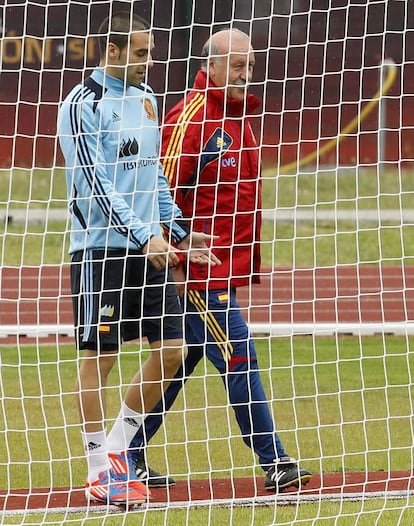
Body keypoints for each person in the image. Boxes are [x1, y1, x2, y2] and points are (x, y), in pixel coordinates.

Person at [126, 28, 313, 492]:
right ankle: (276, 461)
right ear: (208, 66)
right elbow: (156, 189)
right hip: (194, 272)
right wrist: (170, 254)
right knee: (239, 352)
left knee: (177, 364)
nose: (246, 75)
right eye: (237, 66)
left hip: (222, 267)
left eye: (250, 67)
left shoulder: (240, 119)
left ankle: (125, 453)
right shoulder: (191, 116)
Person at [57, 11, 219, 507]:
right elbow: (95, 184)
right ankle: (95, 468)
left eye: (151, 52)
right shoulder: (83, 104)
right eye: (142, 53)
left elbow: (155, 179)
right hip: (101, 250)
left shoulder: (148, 100)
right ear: (112, 52)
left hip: (150, 250)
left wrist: (182, 234)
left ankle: (118, 450)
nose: (151, 62)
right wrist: (144, 234)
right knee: (100, 358)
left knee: (174, 350)